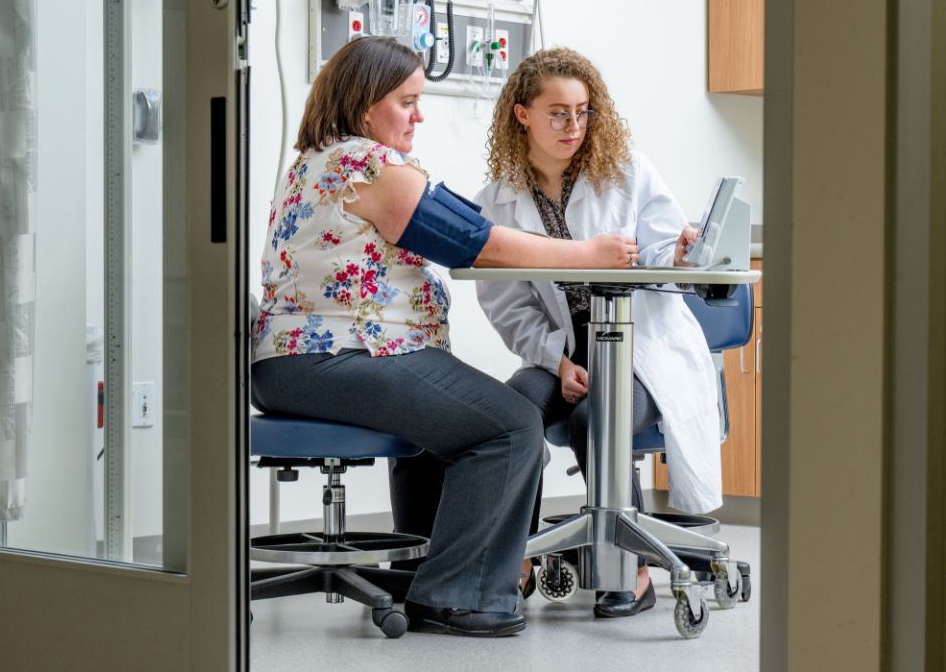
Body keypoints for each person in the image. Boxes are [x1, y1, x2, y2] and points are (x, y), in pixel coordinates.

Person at [250, 37, 637, 637]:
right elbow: (474, 243)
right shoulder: (369, 165)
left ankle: (431, 570)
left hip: (301, 362)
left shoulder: (316, 162)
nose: (419, 114)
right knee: (510, 424)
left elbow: (461, 230)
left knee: (453, 422)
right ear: (363, 102)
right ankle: (456, 595)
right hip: (339, 358)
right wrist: (585, 253)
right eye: (406, 101)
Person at [475, 47, 723, 618]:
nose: (573, 126)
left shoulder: (628, 171)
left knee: (596, 418)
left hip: (638, 352)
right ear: (522, 115)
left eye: (583, 112)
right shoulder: (497, 201)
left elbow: (662, 251)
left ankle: (628, 567)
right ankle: (517, 559)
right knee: (511, 411)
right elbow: (509, 308)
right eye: (557, 113)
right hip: (558, 355)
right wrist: (556, 362)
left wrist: (679, 251)